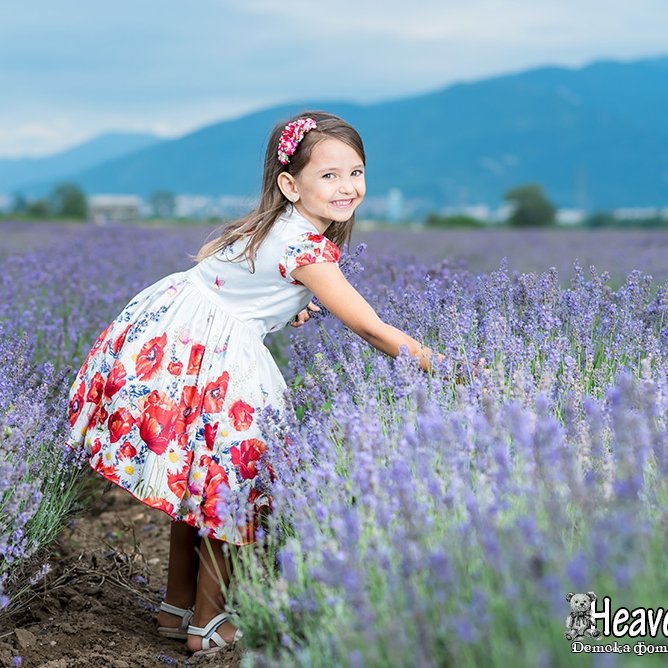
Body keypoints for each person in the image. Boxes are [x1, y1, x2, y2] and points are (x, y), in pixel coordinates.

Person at [65, 110, 446, 657]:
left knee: (195, 487)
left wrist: (287, 305)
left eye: (356, 173)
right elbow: (367, 326)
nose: (347, 187)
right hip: (219, 364)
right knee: (234, 489)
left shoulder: (264, 225)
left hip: (174, 343)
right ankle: (210, 622)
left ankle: (177, 609)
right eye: (329, 176)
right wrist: (441, 365)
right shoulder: (307, 249)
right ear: (291, 185)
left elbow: (241, 284)